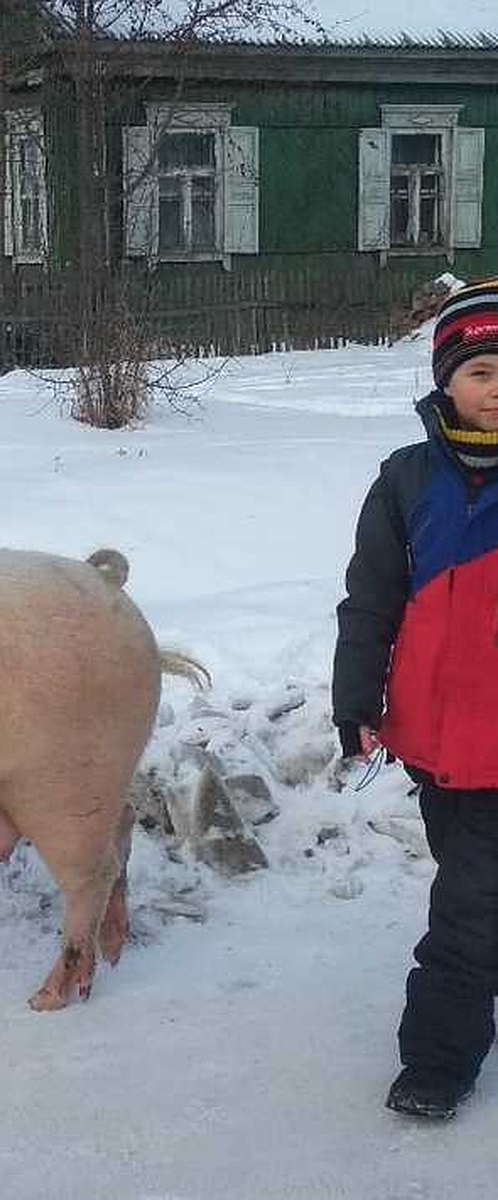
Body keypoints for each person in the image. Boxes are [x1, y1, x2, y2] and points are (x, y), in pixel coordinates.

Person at [333, 278, 498, 1121]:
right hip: (442, 742)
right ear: (446, 379)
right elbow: (371, 600)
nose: (497, 384)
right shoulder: (405, 479)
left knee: (469, 907)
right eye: (480, 369)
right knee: (473, 887)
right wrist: (355, 699)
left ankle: (438, 1059)